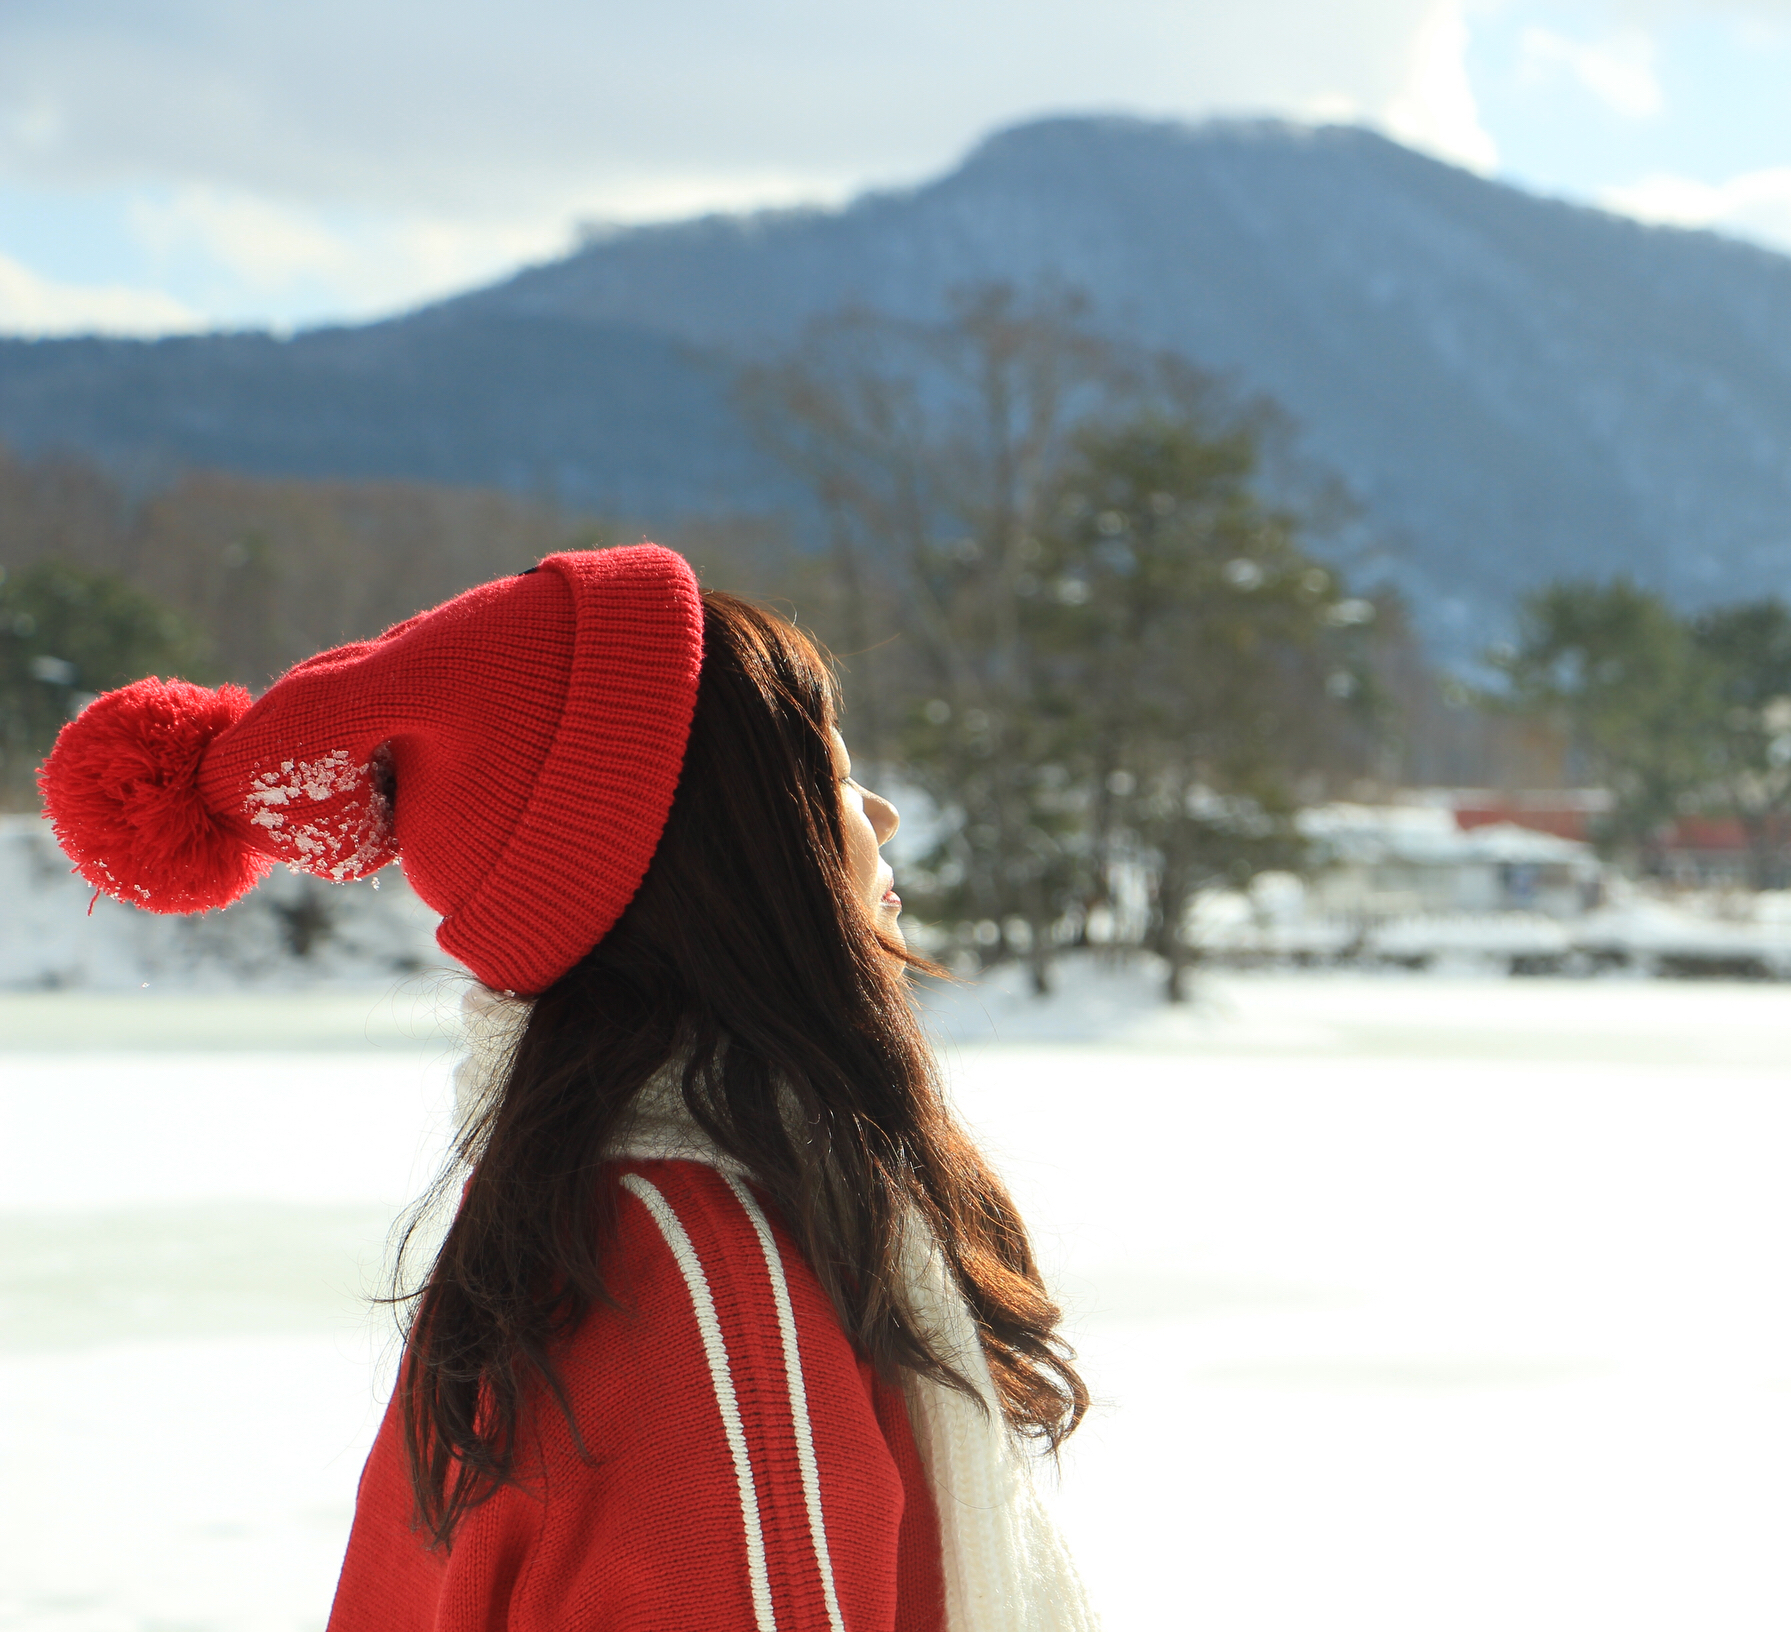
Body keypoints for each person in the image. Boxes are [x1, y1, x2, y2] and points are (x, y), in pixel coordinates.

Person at [38, 543, 1096, 1631]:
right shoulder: (704, 1283)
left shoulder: (595, 1229)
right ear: (728, 859)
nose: (882, 818)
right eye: (829, 778)